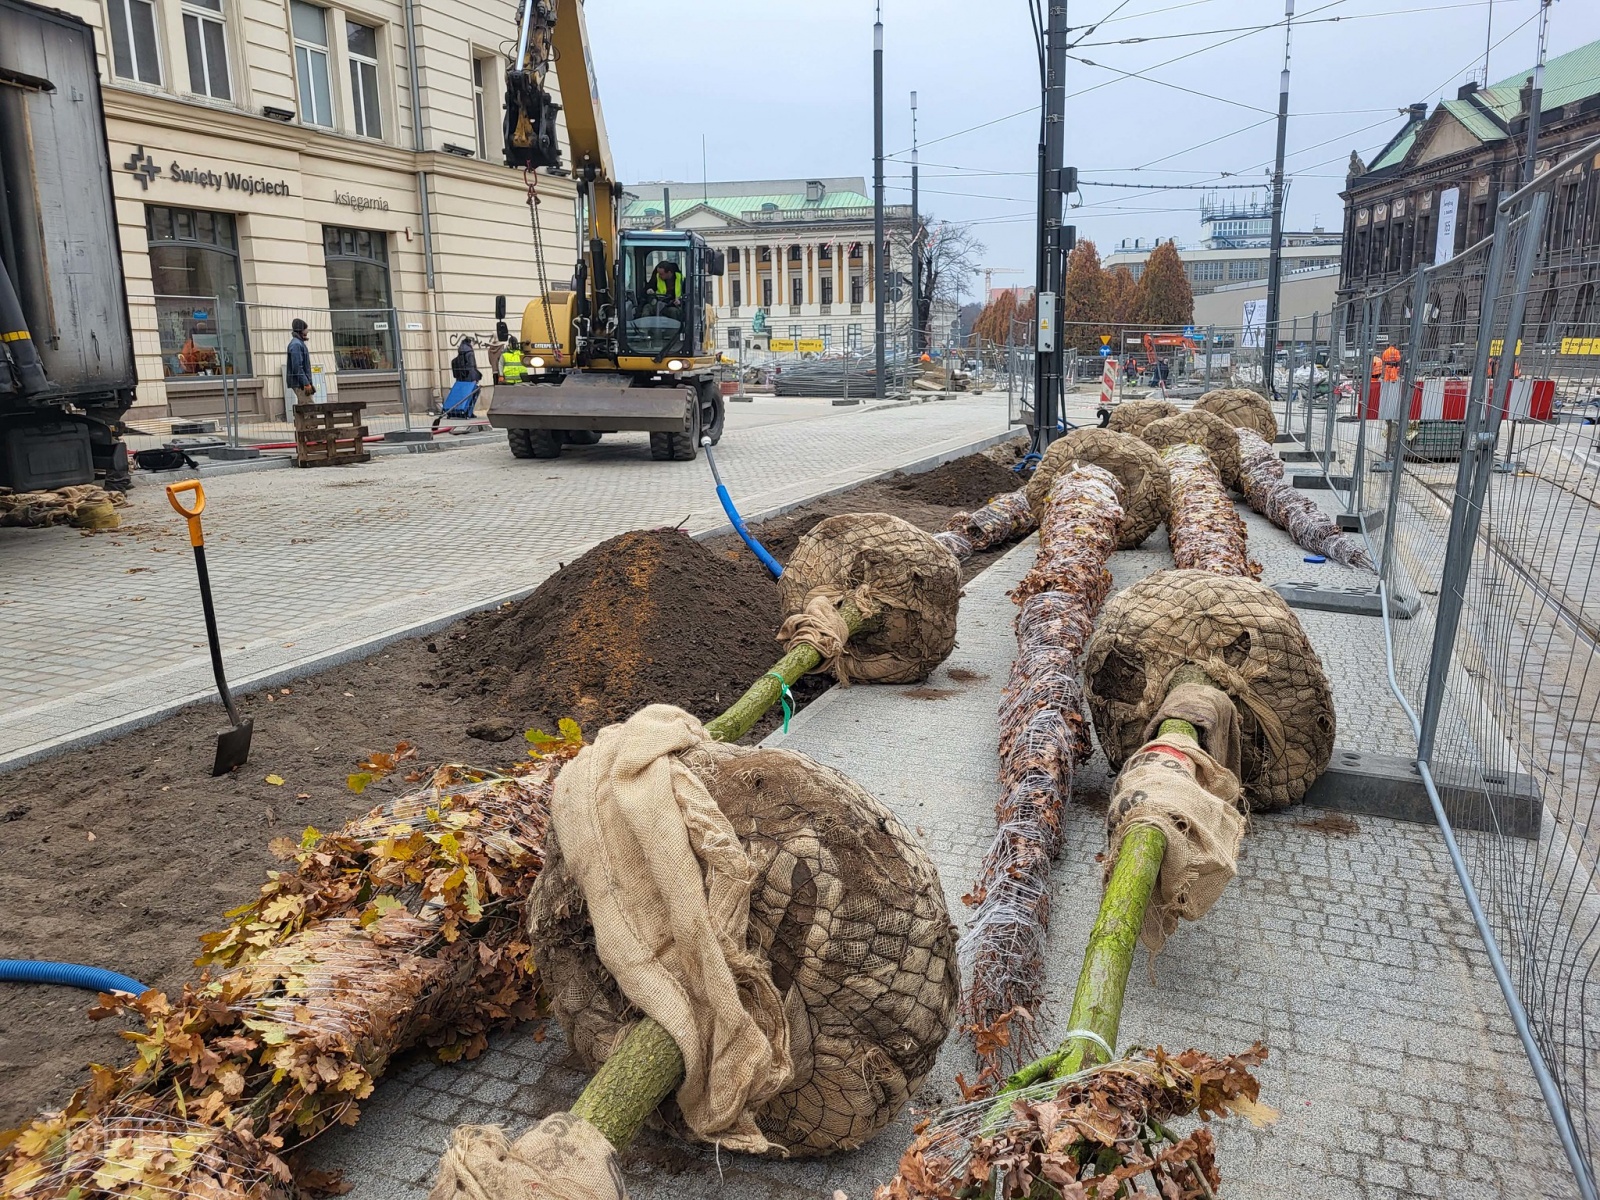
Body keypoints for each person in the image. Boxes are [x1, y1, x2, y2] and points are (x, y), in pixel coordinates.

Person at [286, 318, 314, 403]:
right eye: (306, 328)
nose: (307, 331)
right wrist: (306, 383)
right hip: (300, 384)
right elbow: (297, 367)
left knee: (303, 409)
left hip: (301, 383)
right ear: (301, 330)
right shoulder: (296, 345)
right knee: (309, 408)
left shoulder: (298, 343)